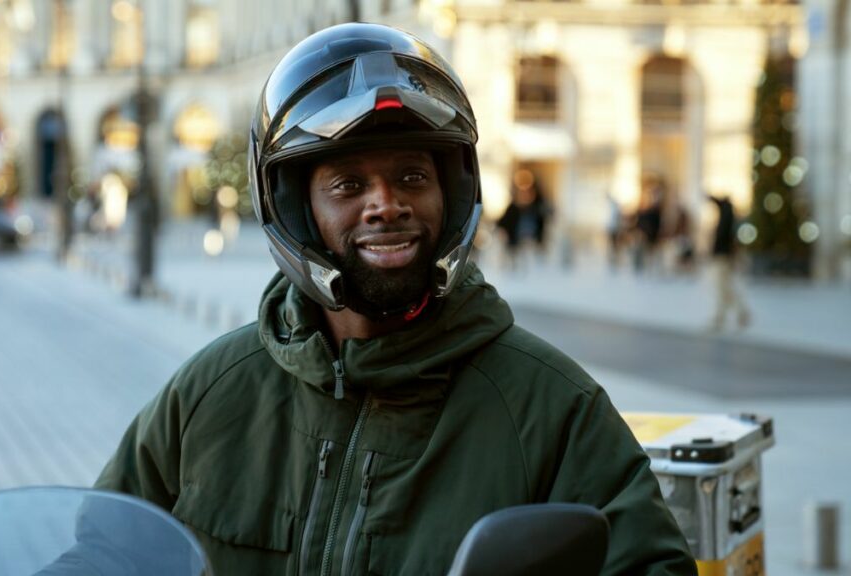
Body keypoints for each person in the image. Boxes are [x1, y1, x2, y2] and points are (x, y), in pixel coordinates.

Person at [96, 24, 696, 575]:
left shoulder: (551, 407)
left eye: (412, 178)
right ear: (295, 209)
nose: (386, 204)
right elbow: (102, 549)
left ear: (453, 194)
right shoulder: (209, 393)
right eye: (349, 185)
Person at [706, 193, 751, 330]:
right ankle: (739, 313)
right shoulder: (728, 214)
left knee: (722, 288)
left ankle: (724, 316)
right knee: (725, 288)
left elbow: (723, 238)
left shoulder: (726, 217)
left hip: (722, 256)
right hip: (723, 256)